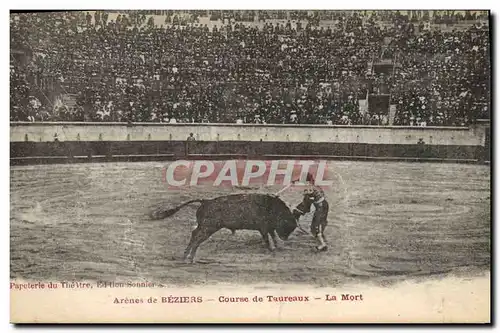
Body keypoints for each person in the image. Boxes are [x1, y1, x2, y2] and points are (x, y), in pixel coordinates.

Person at [302, 172, 329, 252]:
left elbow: (307, 196)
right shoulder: (315, 184)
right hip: (325, 204)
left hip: (320, 207)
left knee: (315, 226)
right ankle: (322, 236)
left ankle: (322, 245)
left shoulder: (309, 189)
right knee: (322, 221)